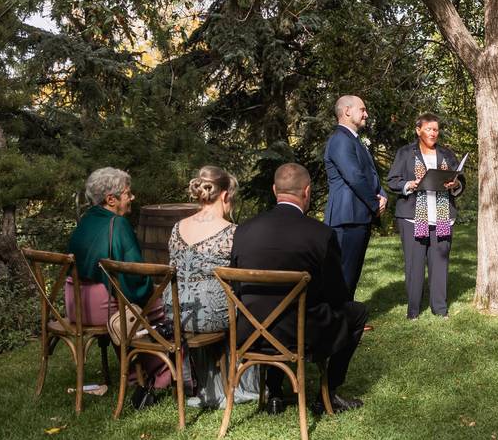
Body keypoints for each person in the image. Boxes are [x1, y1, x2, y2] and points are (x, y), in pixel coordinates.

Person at [231, 163, 368, 415]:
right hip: (301, 335)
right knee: (356, 312)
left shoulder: (243, 230)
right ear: (307, 191)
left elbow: (236, 287)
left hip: (249, 332)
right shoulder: (320, 234)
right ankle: (328, 394)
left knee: (272, 307)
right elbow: (337, 296)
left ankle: (274, 393)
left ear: (274, 190)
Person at [65, 167, 171, 401]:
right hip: (102, 308)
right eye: (127, 193)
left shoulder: (85, 222)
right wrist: (153, 291)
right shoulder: (118, 224)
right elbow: (134, 275)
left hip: (75, 304)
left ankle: (136, 374)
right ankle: (163, 376)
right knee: (165, 307)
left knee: (140, 308)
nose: (132, 197)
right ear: (110, 199)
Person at [162, 166, 260, 409]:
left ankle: (210, 382)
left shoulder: (177, 228)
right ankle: (242, 382)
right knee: (252, 304)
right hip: (210, 316)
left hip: (174, 312)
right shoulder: (231, 232)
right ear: (225, 196)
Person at [387, 113, 465, 319]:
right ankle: (413, 310)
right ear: (418, 130)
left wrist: (455, 184)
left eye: (436, 129)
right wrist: (409, 184)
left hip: (442, 216)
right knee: (415, 264)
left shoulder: (447, 155)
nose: (433, 133)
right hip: (413, 217)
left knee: (440, 264)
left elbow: (460, 180)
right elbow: (393, 180)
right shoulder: (405, 153)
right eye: (429, 129)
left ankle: (439, 309)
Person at [323, 94, 387, 300]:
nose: (366, 114)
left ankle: (346, 320)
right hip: (347, 218)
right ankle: (338, 324)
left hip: (358, 216)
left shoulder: (354, 140)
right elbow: (354, 177)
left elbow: (371, 173)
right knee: (343, 275)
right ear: (347, 111)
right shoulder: (340, 139)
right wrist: (374, 204)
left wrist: (382, 194)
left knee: (352, 274)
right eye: (362, 109)